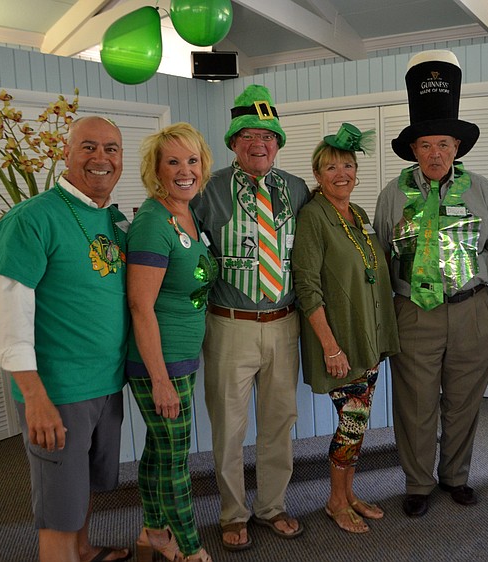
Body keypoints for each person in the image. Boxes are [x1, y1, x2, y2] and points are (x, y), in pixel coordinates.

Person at [374, 50, 488, 518]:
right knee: (415, 403)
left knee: (463, 401)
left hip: (473, 310)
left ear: (457, 147)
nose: (435, 154)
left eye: (444, 144)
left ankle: (456, 475)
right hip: (414, 312)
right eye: (426, 145)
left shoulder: (481, 190)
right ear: (414, 150)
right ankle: (418, 482)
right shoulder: (392, 195)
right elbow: (378, 257)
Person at [0, 116, 130, 562]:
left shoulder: (113, 220)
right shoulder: (31, 219)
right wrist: (35, 397)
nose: (101, 158)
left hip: (106, 384)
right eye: (88, 147)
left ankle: (83, 550)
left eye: (111, 148)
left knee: (81, 487)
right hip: (58, 390)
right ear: (65, 154)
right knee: (58, 509)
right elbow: (8, 316)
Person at [192, 84, 309, 551]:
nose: (258, 143)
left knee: (279, 421)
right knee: (229, 427)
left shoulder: (296, 190)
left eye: (267, 136)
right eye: (248, 136)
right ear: (233, 142)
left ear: (277, 143)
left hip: (284, 322)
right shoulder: (207, 188)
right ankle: (232, 513)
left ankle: (272, 507)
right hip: (229, 324)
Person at [292, 123, 400, 534]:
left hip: (365, 335)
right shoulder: (313, 217)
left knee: (357, 422)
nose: (342, 174)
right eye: (331, 167)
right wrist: (330, 347)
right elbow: (307, 286)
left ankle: (348, 493)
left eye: (348, 165)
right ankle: (336, 501)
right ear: (317, 175)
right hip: (340, 341)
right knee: (352, 422)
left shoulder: (358, 215)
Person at [126, 123, 217, 562]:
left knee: (160, 450)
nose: (185, 171)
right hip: (158, 363)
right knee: (176, 459)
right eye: (174, 162)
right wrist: (160, 380)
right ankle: (189, 548)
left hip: (180, 356)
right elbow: (140, 306)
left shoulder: (187, 212)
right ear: (156, 169)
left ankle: (154, 532)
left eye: (192, 161)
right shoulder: (152, 223)